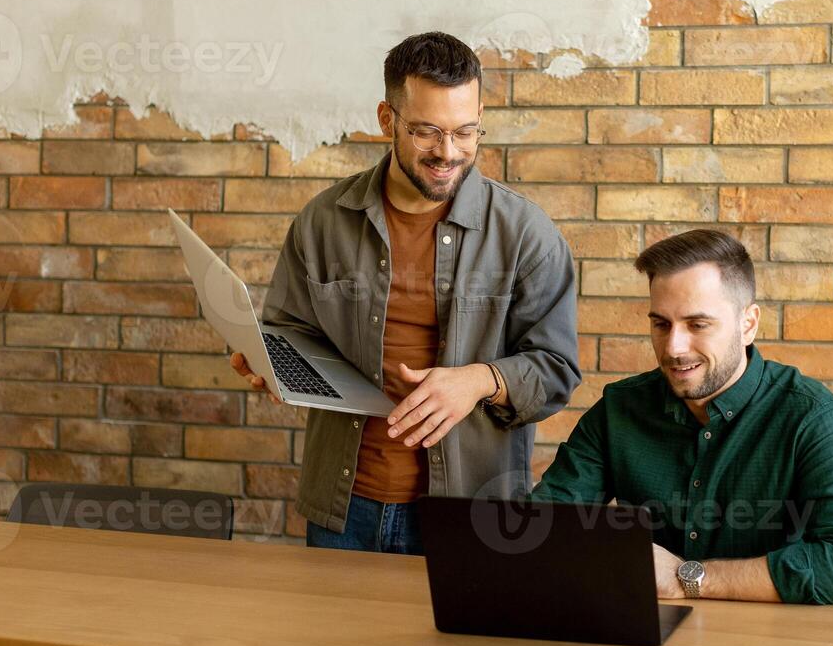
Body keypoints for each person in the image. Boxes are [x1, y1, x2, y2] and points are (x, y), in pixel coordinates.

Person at [232, 31, 580, 554]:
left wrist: (480, 380)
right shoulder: (323, 221)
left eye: (467, 131)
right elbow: (292, 332)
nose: (448, 152)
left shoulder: (526, 233)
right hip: (342, 506)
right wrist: (274, 364)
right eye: (427, 132)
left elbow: (557, 370)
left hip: (470, 515)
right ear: (386, 119)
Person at [529, 229, 833, 604]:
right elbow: (543, 530)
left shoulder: (811, 416)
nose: (674, 347)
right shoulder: (620, 410)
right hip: (645, 645)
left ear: (748, 324)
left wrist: (689, 579)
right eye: (661, 324)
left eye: (698, 325)